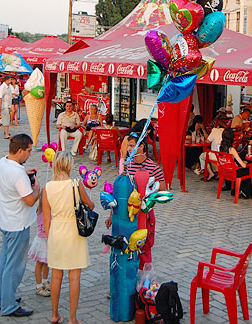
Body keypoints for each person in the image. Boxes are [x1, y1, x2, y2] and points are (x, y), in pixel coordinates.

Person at [43, 151, 94, 324]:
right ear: (69, 165)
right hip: (74, 231)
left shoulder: (47, 187)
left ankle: (54, 313)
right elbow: (90, 204)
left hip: (56, 231)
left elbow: (46, 219)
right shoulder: (76, 184)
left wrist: (50, 239)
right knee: (74, 277)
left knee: (56, 276)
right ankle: (72, 318)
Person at [0, 134, 39, 317]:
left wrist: (25, 175)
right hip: (18, 225)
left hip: (6, 221)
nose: (29, 154)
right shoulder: (16, 172)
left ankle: (3, 297)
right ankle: (9, 305)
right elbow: (29, 200)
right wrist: (37, 188)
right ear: (20, 150)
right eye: (28, 151)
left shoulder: (2, 163)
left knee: (5, 263)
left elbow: (12, 183)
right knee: (14, 267)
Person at [106, 133, 165, 268]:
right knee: (127, 247)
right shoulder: (127, 167)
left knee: (144, 247)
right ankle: (129, 280)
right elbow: (119, 193)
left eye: (133, 146)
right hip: (127, 214)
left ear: (142, 147)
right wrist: (112, 215)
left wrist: (149, 198)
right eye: (129, 146)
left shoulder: (154, 168)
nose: (130, 149)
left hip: (145, 214)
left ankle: (144, 282)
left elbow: (163, 192)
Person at [28, 189, 50, 297]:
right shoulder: (40, 210)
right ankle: (38, 285)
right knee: (39, 263)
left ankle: (45, 280)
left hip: (49, 240)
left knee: (47, 262)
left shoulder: (52, 210)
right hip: (41, 240)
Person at [219, 128, 252, 199]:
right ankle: (244, 191)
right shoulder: (231, 150)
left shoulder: (220, 147)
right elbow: (243, 166)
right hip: (234, 172)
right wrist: (245, 163)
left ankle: (236, 190)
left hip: (225, 171)